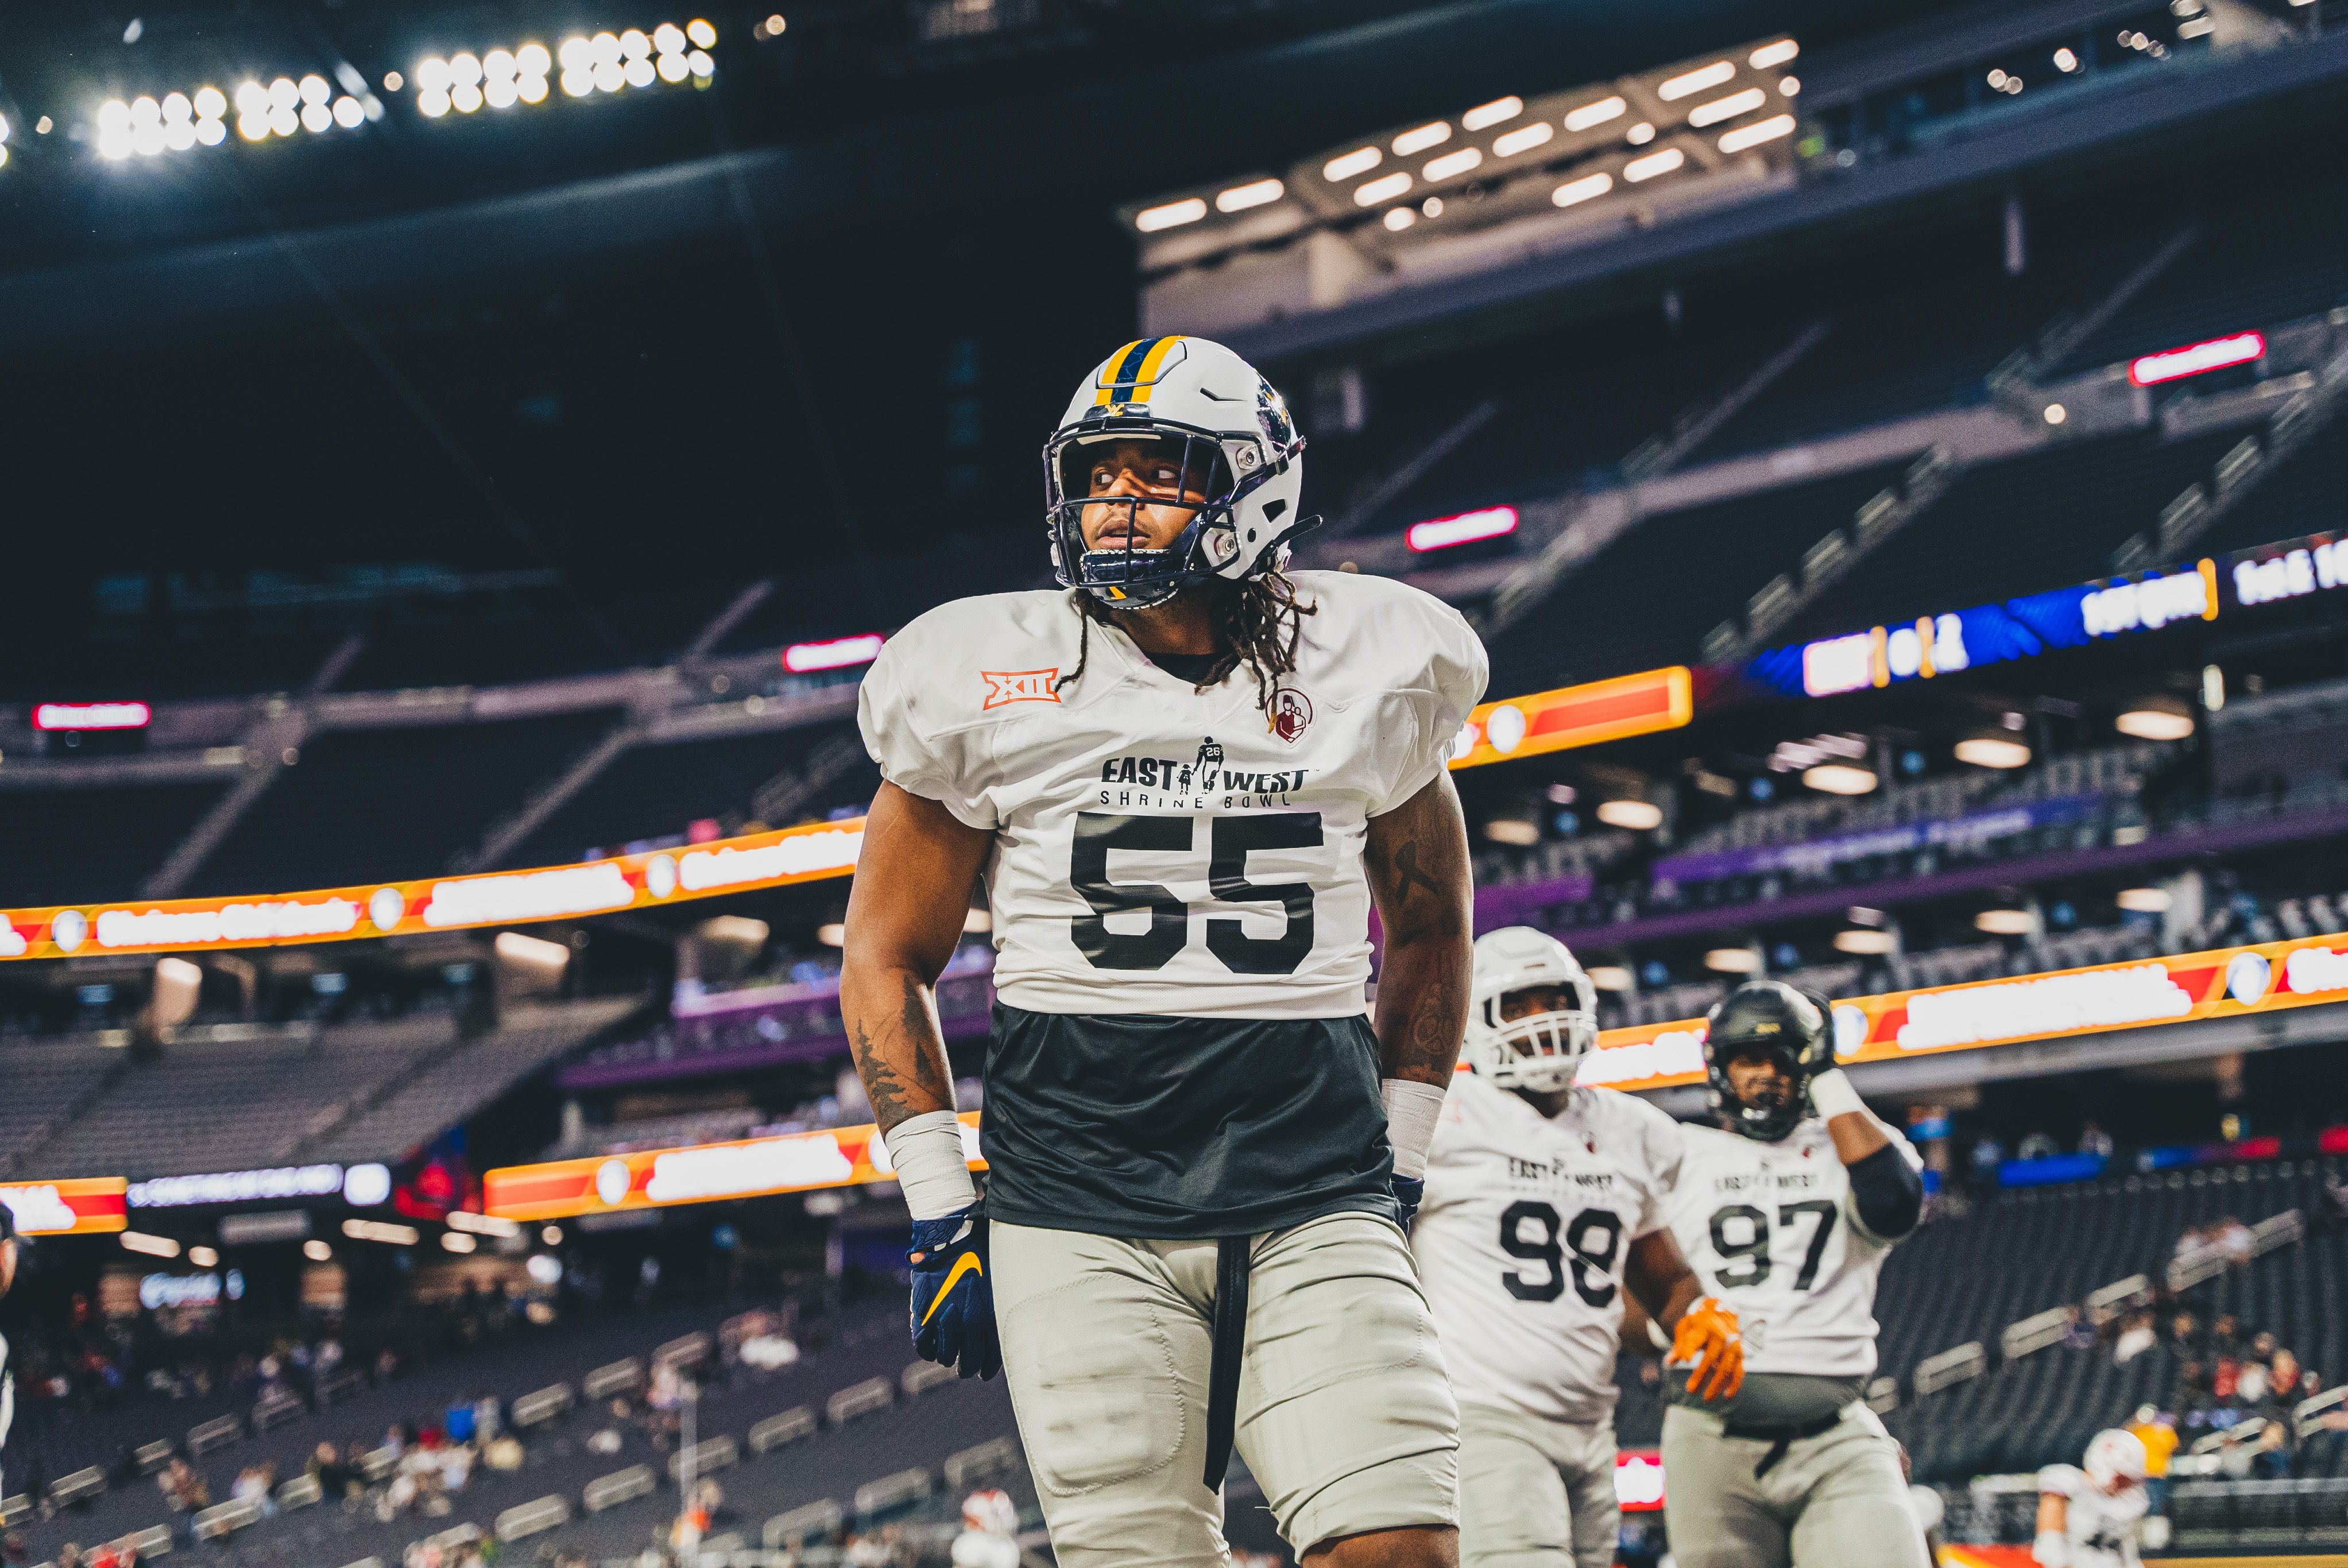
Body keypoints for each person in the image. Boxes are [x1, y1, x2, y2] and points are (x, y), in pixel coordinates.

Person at [844, 334, 1487, 1568]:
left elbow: (1429, 926)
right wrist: (935, 1208)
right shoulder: (982, 672)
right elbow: (884, 956)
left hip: (1314, 1186)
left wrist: (1401, 1157)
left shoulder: (1371, 661)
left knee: (1400, 1550)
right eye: (1098, 476)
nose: (1117, 503)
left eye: (1159, 472)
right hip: (1078, 1206)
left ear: (1256, 486)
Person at [1413, 927, 1743, 1568]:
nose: (1543, 1020)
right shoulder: (1443, 1114)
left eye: (1555, 999)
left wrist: (1698, 1314)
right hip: (1481, 1411)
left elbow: (1665, 1276)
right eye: (1519, 1005)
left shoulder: (1631, 1128)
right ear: (1475, 1018)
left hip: (1591, 1420)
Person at [1656, 981, 1929, 1568]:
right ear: (1720, 1068)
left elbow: (1894, 1207)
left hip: (1837, 1431)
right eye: (1748, 1059)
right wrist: (1663, 1330)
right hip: (1709, 1432)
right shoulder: (1676, 1153)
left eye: (1783, 1059)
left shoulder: (1853, 1147)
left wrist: (1827, 1073)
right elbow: (1638, 1282)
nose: (1766, 1074)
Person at [2034, 1428, 2150, 1566]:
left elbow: (2127, 1553)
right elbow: (2050, 1542)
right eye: (2123, 1478)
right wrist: (2059, 1563)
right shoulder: (2069, 1485)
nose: (2128, 1486)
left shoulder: (2128, 1503)